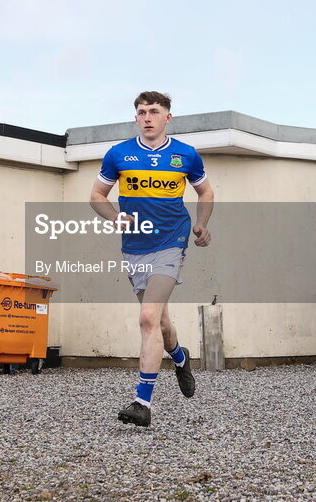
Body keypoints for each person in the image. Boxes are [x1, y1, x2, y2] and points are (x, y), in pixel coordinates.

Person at [89, 91, 214, 427]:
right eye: (142, 112)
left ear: (167, 118)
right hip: (134, 247)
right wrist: (114, 217)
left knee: (146, 317)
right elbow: (97, 196)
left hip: (172, 241)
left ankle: (142, 403)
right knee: (160, 324)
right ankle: (180, 357)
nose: (147, 117)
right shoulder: (119, 155)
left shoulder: (185, 155)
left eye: (154, 111)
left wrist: (201, 224)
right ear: (136, 118)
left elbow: (206, 191)